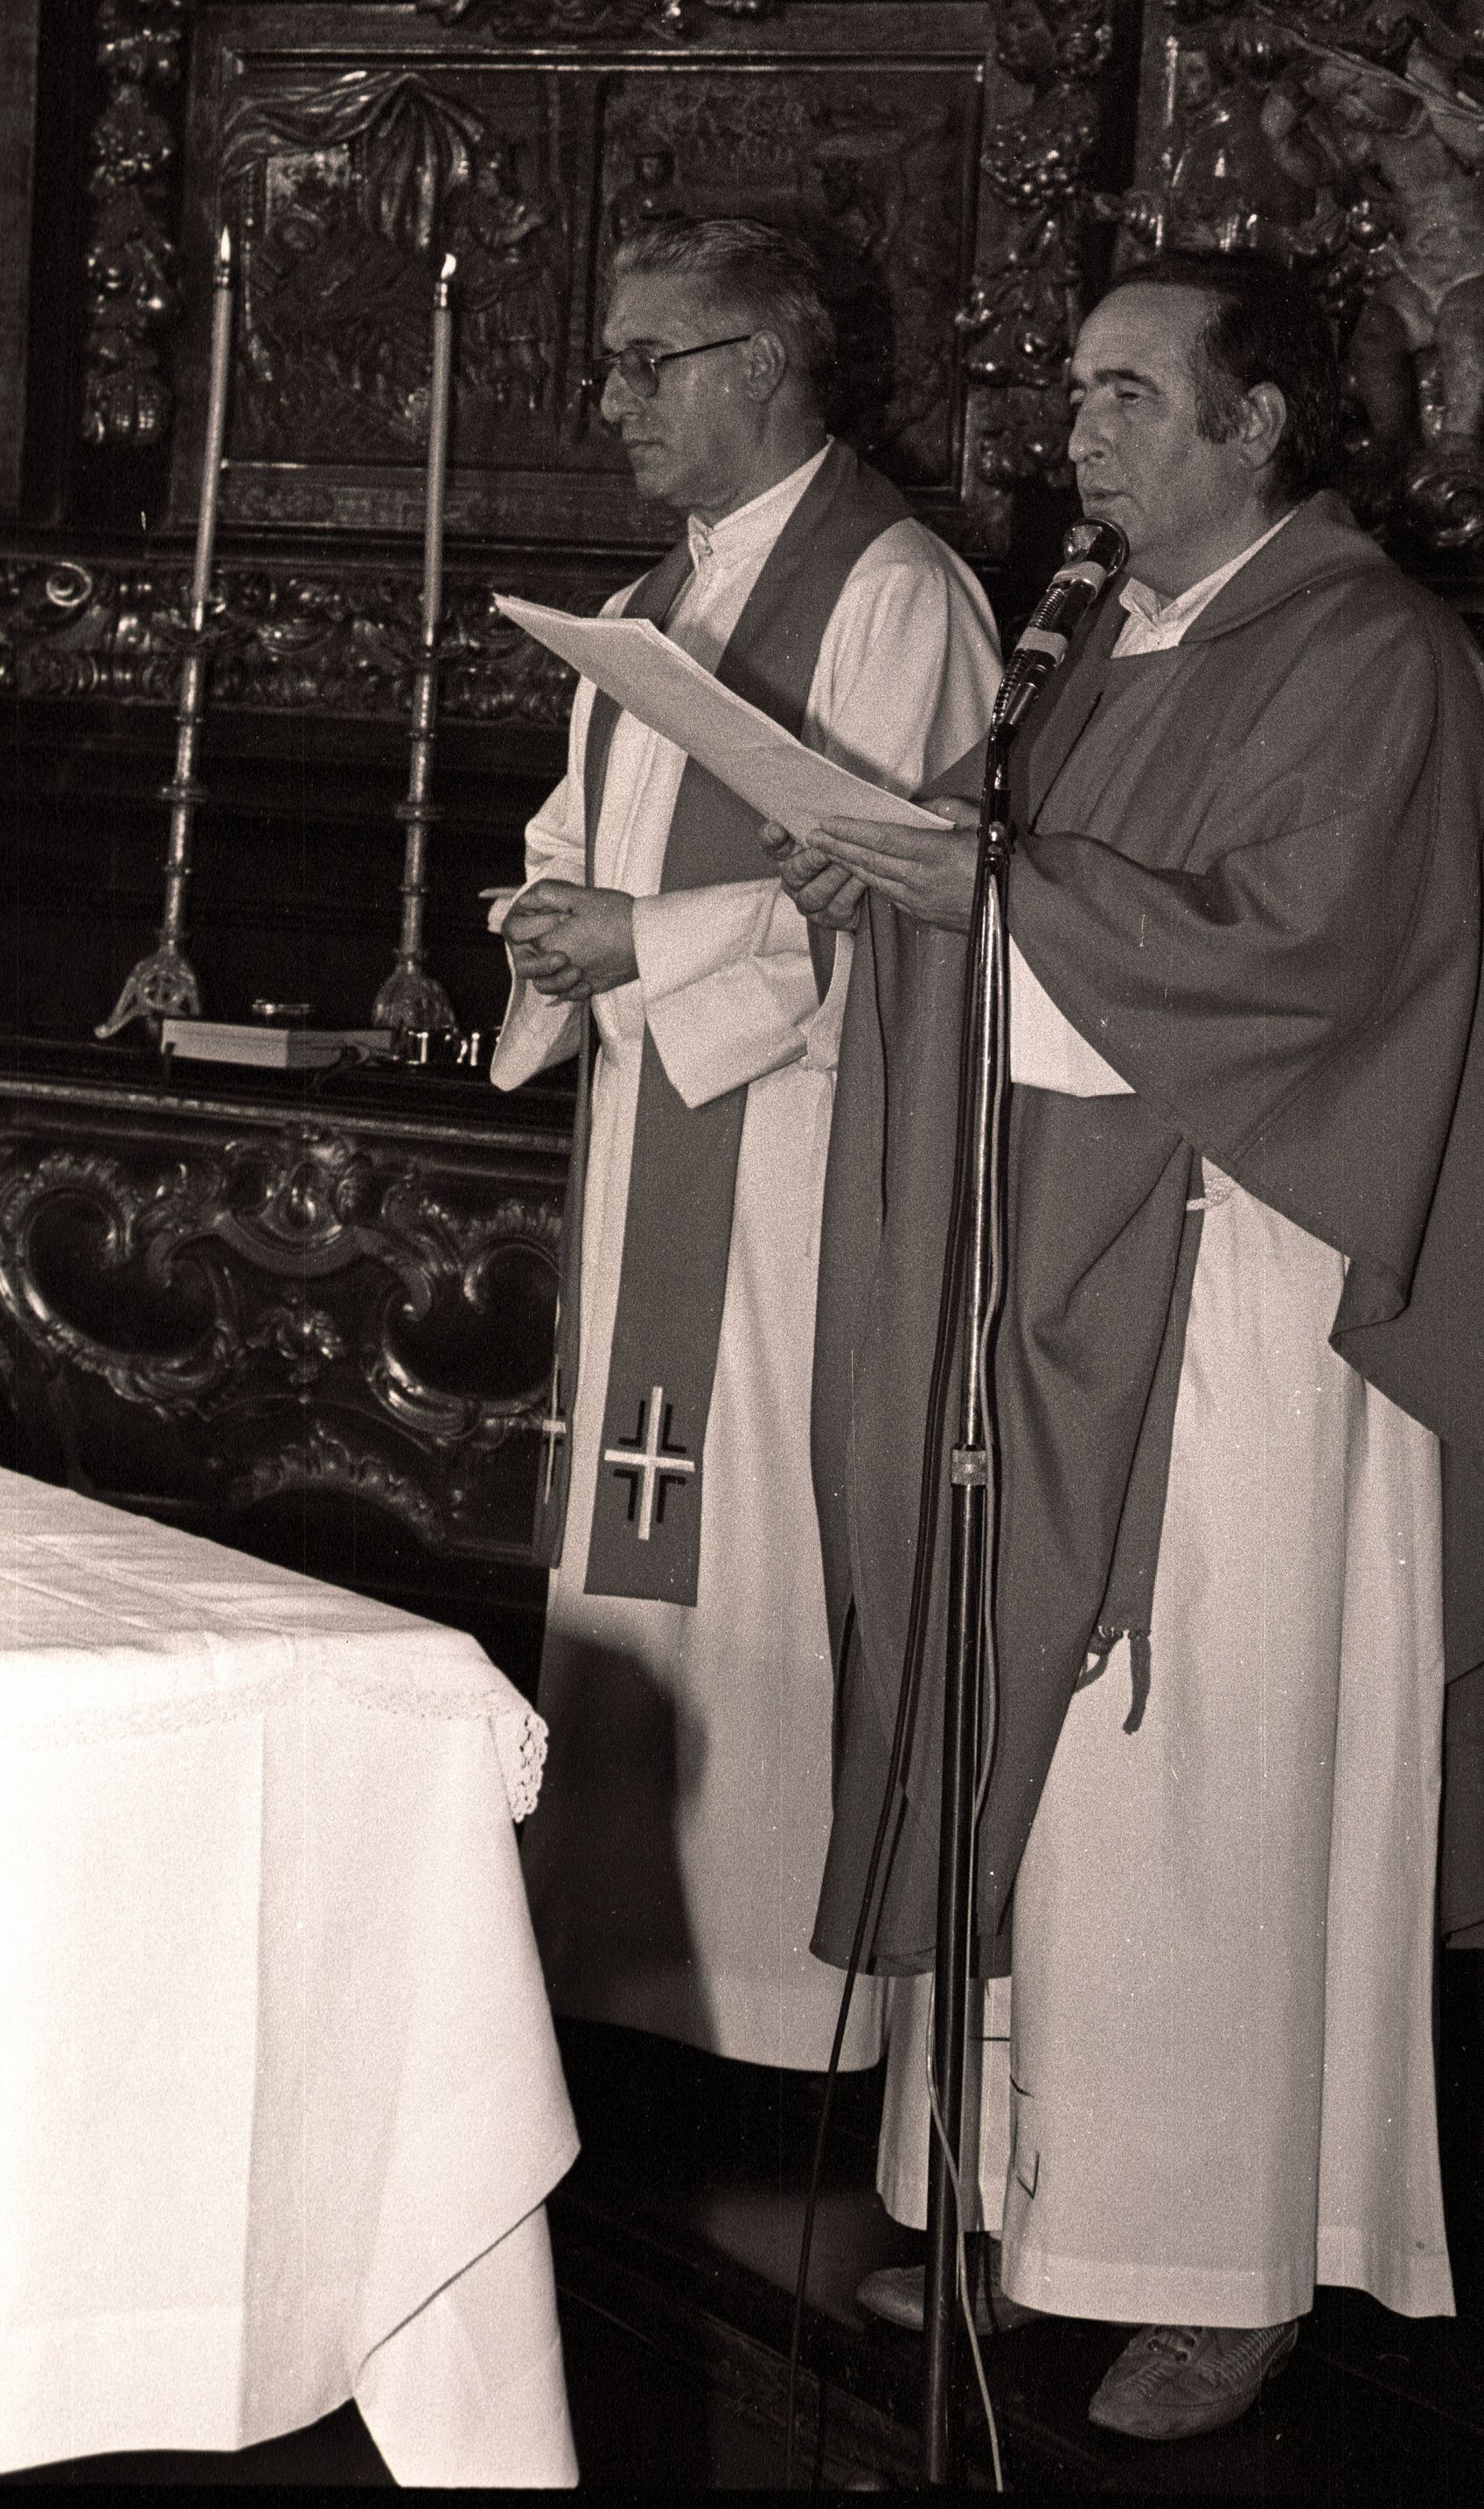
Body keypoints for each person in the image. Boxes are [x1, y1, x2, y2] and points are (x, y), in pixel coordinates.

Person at [768, 250, 1484, 2439]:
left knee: (1195, 1776)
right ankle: (1025, 2214)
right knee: (1048, 1762)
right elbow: (1008, 885)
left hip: (1248, 1307)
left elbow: (1305, 967)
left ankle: (1224, 2266)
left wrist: (981, 897)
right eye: (1073, 390)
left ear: (1259, 424)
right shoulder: (1095, 645)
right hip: (1055, 1265)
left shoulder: (1371, 659)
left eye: (1130, 393)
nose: (1080, 433)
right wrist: (888, 872)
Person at [492, 215, 1000, 2073]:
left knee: (767, 1536)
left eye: (648, 360)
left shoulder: (896, 592)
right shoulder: (651, 603)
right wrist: (552, 920)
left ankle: (783, 2014)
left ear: (764, 366)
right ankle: (623, 1973)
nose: (611, 396)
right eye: (613, 360)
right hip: (659, 1124)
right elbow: (580, 836)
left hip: (803, 1156)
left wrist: (645, 939)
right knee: (641, 1527)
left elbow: (902, 890)